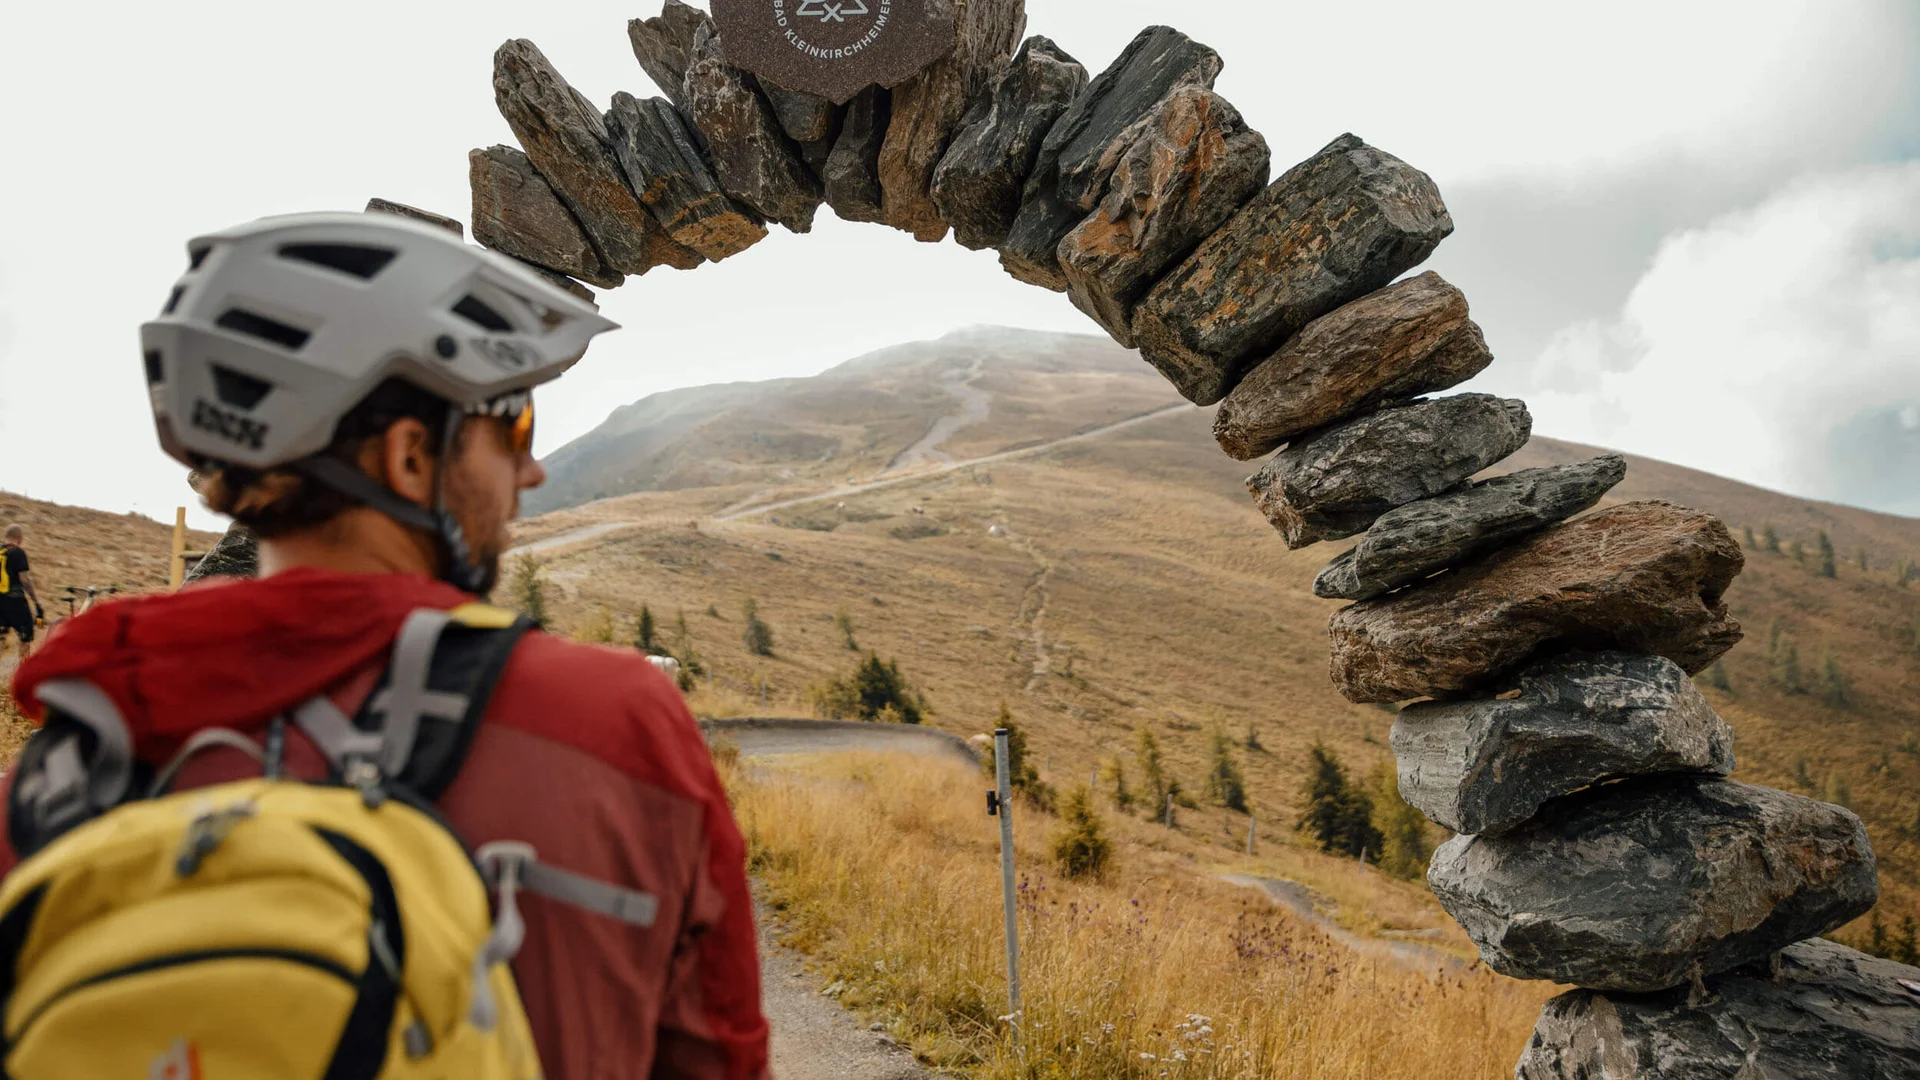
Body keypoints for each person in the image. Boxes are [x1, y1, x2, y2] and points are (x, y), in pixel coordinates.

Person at [2, 213, 771, 1079]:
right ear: (410, 458)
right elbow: (720, 1058)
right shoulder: (618, 725)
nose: (532, 471)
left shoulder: (51, 784)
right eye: (511, 429)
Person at [0, 524, 42, 657]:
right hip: (15, 600)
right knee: (25, 636)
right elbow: (24, 579)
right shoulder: (18, 552)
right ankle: (22, 672)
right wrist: (36, 601)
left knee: (1, 637)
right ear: (19, 537)